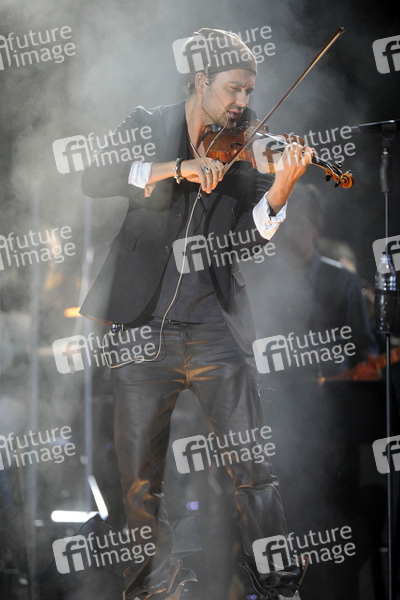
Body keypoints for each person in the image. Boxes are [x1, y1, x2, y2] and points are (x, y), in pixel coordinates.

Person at [80, 28, 314, 600]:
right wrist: (175, 168)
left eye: (249, 91)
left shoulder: (248, 145)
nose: (243, 102)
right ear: (201, 80)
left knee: (253, 471)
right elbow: (94, 176)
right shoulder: (147, 122)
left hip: (215, 327)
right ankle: (152, 589)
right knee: (139, 483)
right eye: (234, 89)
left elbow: (247, 241)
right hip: (143, 331)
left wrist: (280, 192)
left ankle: (279, 584)